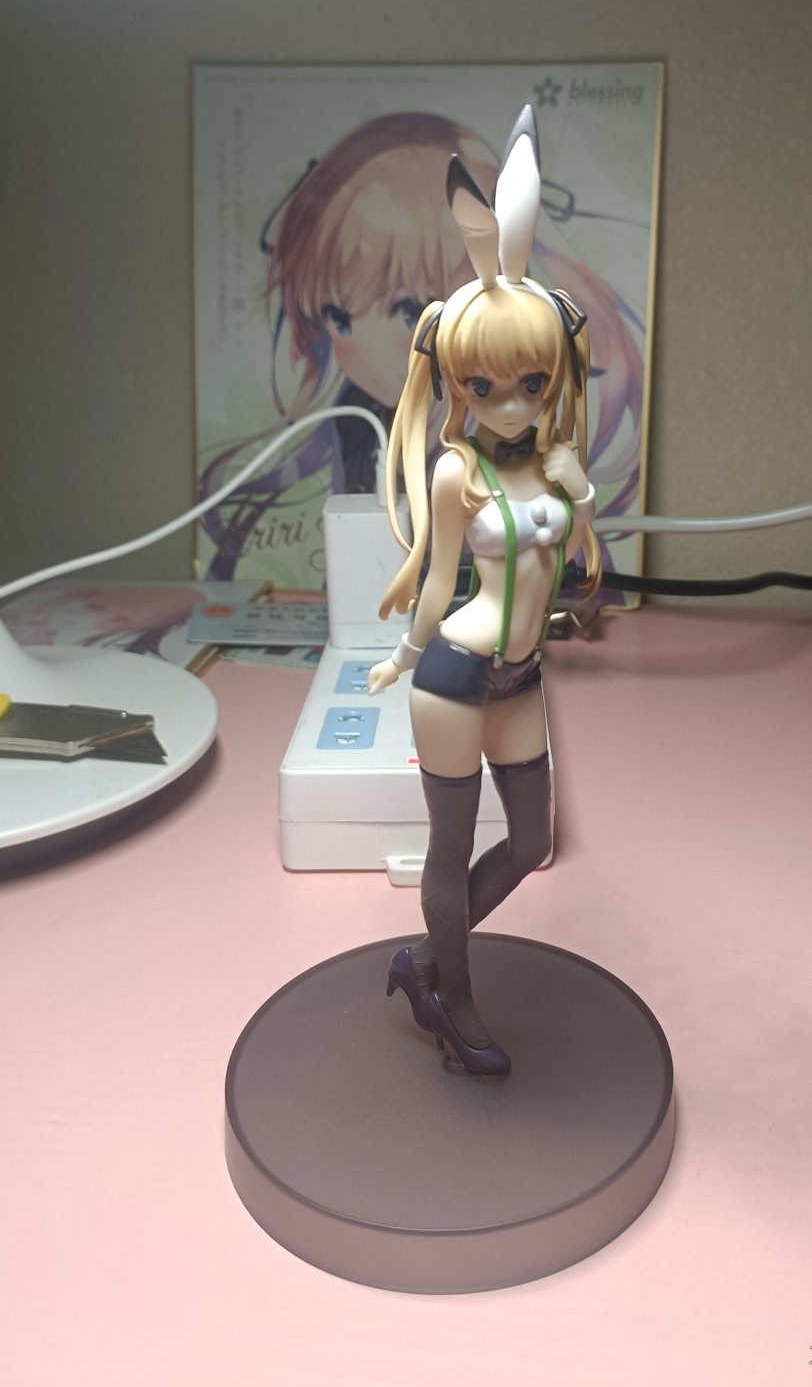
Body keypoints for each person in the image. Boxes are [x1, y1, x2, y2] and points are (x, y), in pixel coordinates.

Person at [369, 109, 598, 1075]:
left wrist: (583, 505)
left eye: (530, 384)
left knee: (532, 841)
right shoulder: (458, 472)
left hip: (522, 678)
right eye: (484, 388)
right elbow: (437, 582)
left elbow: (571, 563)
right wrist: (404, 656)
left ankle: (426, 962)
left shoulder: (554, 464)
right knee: (449, 846)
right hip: (456, 676)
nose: (508, 405)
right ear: (457, 384)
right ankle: (455, 1003)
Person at [199, 110, 642, 583]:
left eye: (412, 311)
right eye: (339, 318)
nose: (375, 353)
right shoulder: (357, 428)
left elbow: (561, 559)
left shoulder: (507, 426)